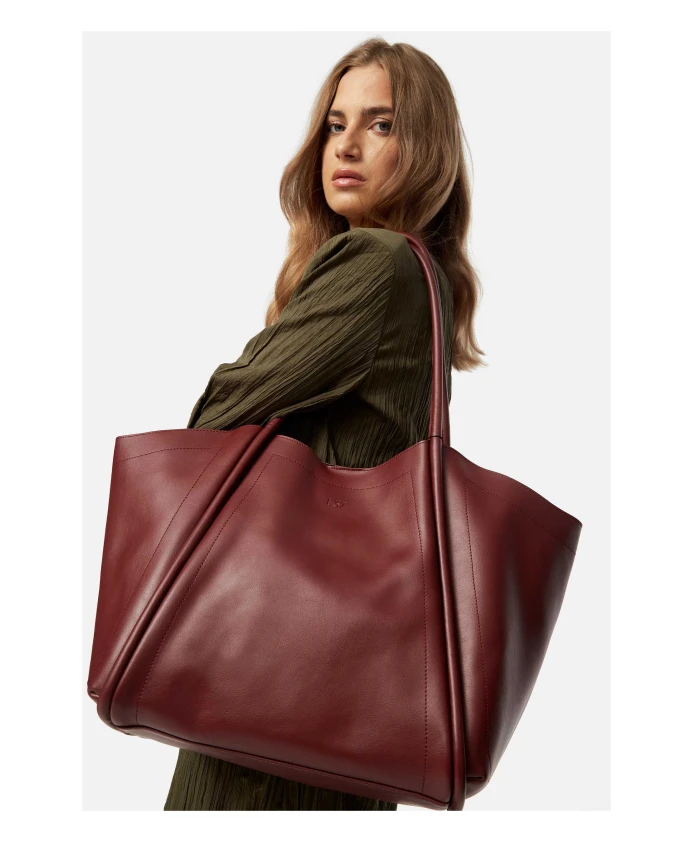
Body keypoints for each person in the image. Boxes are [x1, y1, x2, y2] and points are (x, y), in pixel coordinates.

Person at [164, 36, 485, 811]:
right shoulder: (423, 274)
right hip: (340, 696)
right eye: (335, 124)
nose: (345, 144)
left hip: (275, 688)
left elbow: (217, 414)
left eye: (380, 124)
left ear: (426, 147)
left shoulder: (376, 264)